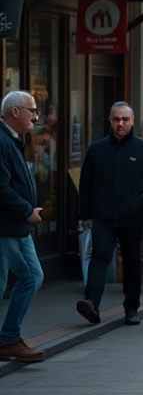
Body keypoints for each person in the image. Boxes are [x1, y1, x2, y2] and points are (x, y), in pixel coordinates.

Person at [76, 102, 143, 326]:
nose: (120, 124)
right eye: (116, 119)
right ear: (110, 120)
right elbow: (85, 184)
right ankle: (91, 303)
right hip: (103, 217)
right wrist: (86, 214)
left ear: (132, 121)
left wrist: (142, 202)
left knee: (132, 261)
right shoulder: (97, 150)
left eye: (125, 120)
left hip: (131, 217)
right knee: (100, 257)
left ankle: (132, 308)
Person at [0, 91, 45, 362]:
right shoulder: (3, 140)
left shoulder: (13, 139)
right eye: (32, 110)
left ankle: (8, 339)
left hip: (18, 227)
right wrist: (27, 210)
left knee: (32, 277)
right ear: (15, 112)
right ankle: (7, 340)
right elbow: (1, 188)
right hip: (7, 227)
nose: (35, 116)